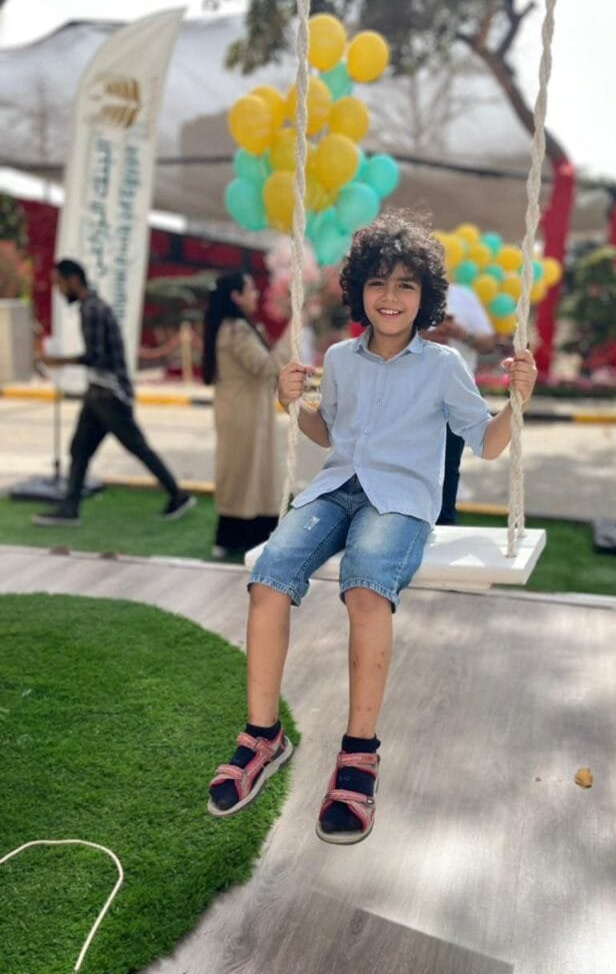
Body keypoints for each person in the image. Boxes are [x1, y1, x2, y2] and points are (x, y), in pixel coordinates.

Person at [207, 212, 537, 844]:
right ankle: (262, 735)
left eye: (406, 285)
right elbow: (327, 433)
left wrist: (518, 400)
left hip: (401, 501)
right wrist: (293, 403)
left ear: (425, 296)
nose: (390, 297)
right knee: (268, 577)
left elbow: (488, 444)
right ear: (358, 289)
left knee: (365, 589)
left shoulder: (443, 365)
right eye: (378, 282)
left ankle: (359, 754)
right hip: (334, 490)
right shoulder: (339, 359)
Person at [32, 259, 196, 527]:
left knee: (135, 446)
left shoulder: (91, 309)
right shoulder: (92, 306)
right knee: (80, 449)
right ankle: (70, 507)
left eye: (60, 283)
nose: (59, 291)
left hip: (109, 394)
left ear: (74, 280)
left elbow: (95, 356)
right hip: (99, 393)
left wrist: (57, 361)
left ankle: (178, 495)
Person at [202, 272, 290, 558]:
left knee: (251, 473)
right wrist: (293, 333)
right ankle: (234, 538)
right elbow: (266, 366)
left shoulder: (233, 326)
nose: (256, 295)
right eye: (250, 290)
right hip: (244, 414)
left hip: (244, 411)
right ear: (236, 297)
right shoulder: (237, 329)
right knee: (246, 474)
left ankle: (248, 536)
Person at [424, 282, 497, 524]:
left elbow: (488, 342)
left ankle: (443, 527)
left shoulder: (463, 296)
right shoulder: (403, 291)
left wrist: (460, 333)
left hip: (454, 394)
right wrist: (421, 335)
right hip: (408, 389)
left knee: (447, 469)